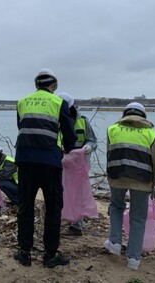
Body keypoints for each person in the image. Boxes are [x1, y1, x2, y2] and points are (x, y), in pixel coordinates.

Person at [13, 68, 76, 268]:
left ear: (36, 85)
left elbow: (21, 127)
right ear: (54, 86)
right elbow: (69, 134)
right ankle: (50, 255)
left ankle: (24, 252)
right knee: (53, 208)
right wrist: (68, 148)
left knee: (25, 207)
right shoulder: (59, 103)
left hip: (25, 160)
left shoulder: (22, 102)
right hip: (49, 162)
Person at [104, 102, 155, 271]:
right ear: (143, 116)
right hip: (142, 180)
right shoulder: (150, 133)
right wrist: (153, 183)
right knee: (138, 218)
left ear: (125, 114)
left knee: (116, 206)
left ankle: (114, 243)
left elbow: (109, 153)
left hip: (118, 177)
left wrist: (110, 176)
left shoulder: (112, 129)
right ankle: (133, 259)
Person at [57, 92, 98, 236]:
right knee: (60, 192)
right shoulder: (54, 121)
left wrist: (88, 147)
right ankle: (61, 219)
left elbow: (92, 140)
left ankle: (77, 225)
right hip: (61, 163)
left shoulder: (83, 121)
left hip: (80, 165)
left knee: (78, 194)